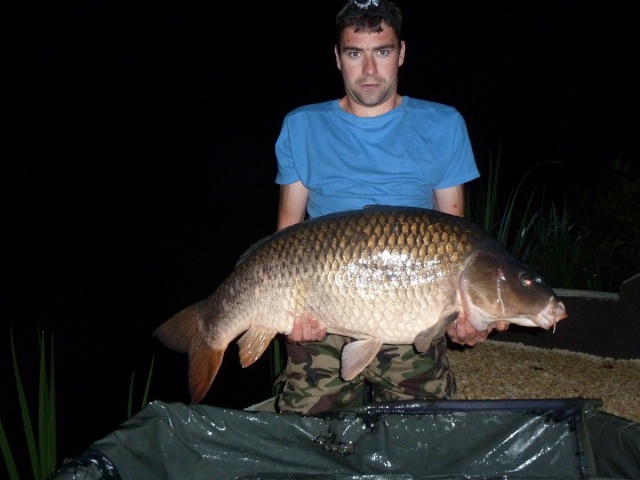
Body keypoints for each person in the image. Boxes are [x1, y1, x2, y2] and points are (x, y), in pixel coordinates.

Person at [274, 0, 505, 414]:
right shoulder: (302, 125)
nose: (368, 70)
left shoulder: (443, 124)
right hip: (323, 300)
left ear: (400, 53)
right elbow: (287, 232)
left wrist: (465, 317)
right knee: (308, 436)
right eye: (354, 53)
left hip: (413, 304)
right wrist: (290, 314)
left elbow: (455, 241)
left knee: (422, 438)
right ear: (337, 58)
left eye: (381, 52)